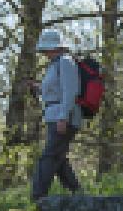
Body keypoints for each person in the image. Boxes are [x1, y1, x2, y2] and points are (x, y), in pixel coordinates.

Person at [29, 28, 85, 202]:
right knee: (58, 158)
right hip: (54, 115)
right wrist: (38, 88)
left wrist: (63, 117)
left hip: (64, 117)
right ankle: (78, 193)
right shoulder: (55, 65)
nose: (45, 53)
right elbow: (55, 93)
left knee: (49, 157)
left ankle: (38, 198)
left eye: (46, 49)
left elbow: (70, 92)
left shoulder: (66, 62)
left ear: (55, 47)